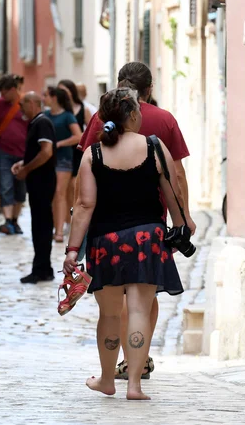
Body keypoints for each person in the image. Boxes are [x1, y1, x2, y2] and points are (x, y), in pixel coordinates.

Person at [63, 87, 185, 401]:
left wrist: (72, 250)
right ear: (132, 114)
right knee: (140, 311)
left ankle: (107, 379)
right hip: (147, 239)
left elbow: (84, 205)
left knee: (110, 314)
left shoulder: (94, 153)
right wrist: (181, 225)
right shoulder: (154, 147)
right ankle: (134, 384)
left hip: (106, 242)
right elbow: (172, 194)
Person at [12, 92, 57, 284]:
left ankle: (41, 269)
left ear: (32, 103)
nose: (20, 108)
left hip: (42, 182)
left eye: (22, 104)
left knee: (41, 226)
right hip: (38, 180)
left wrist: (26, 170)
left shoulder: (42, 123)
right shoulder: (36, 123)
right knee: (40, 225)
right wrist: (24, 163)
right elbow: (38, 152)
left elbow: (46, 152)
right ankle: (43, 268)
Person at [0, 75, 27, 235]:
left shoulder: (26, 103)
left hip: (23, 153)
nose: (1, 96)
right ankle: (8, 221)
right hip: (4, 152)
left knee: (20, 189)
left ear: (13, 90)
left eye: (4, 92)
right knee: (5, 185)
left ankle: (15, 220)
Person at [45, 87, 81, 243]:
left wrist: (59, 144)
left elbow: (78, 136)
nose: (43, 98)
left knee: (60, 193)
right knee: (52, 194)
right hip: (47, 160)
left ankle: (59, 232)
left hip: (64, 159)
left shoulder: (68, 117)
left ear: (54, 98)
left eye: (45, 95)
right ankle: (55, 227)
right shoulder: (45, 116)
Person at [57, 80, 91, 213]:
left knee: (73, 187)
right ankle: (64, 221)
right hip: (62, 152)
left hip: (77, 151)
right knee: (61, 189)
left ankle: (72, 219)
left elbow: (91, 131)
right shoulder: (59, 110)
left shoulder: (84, 109)